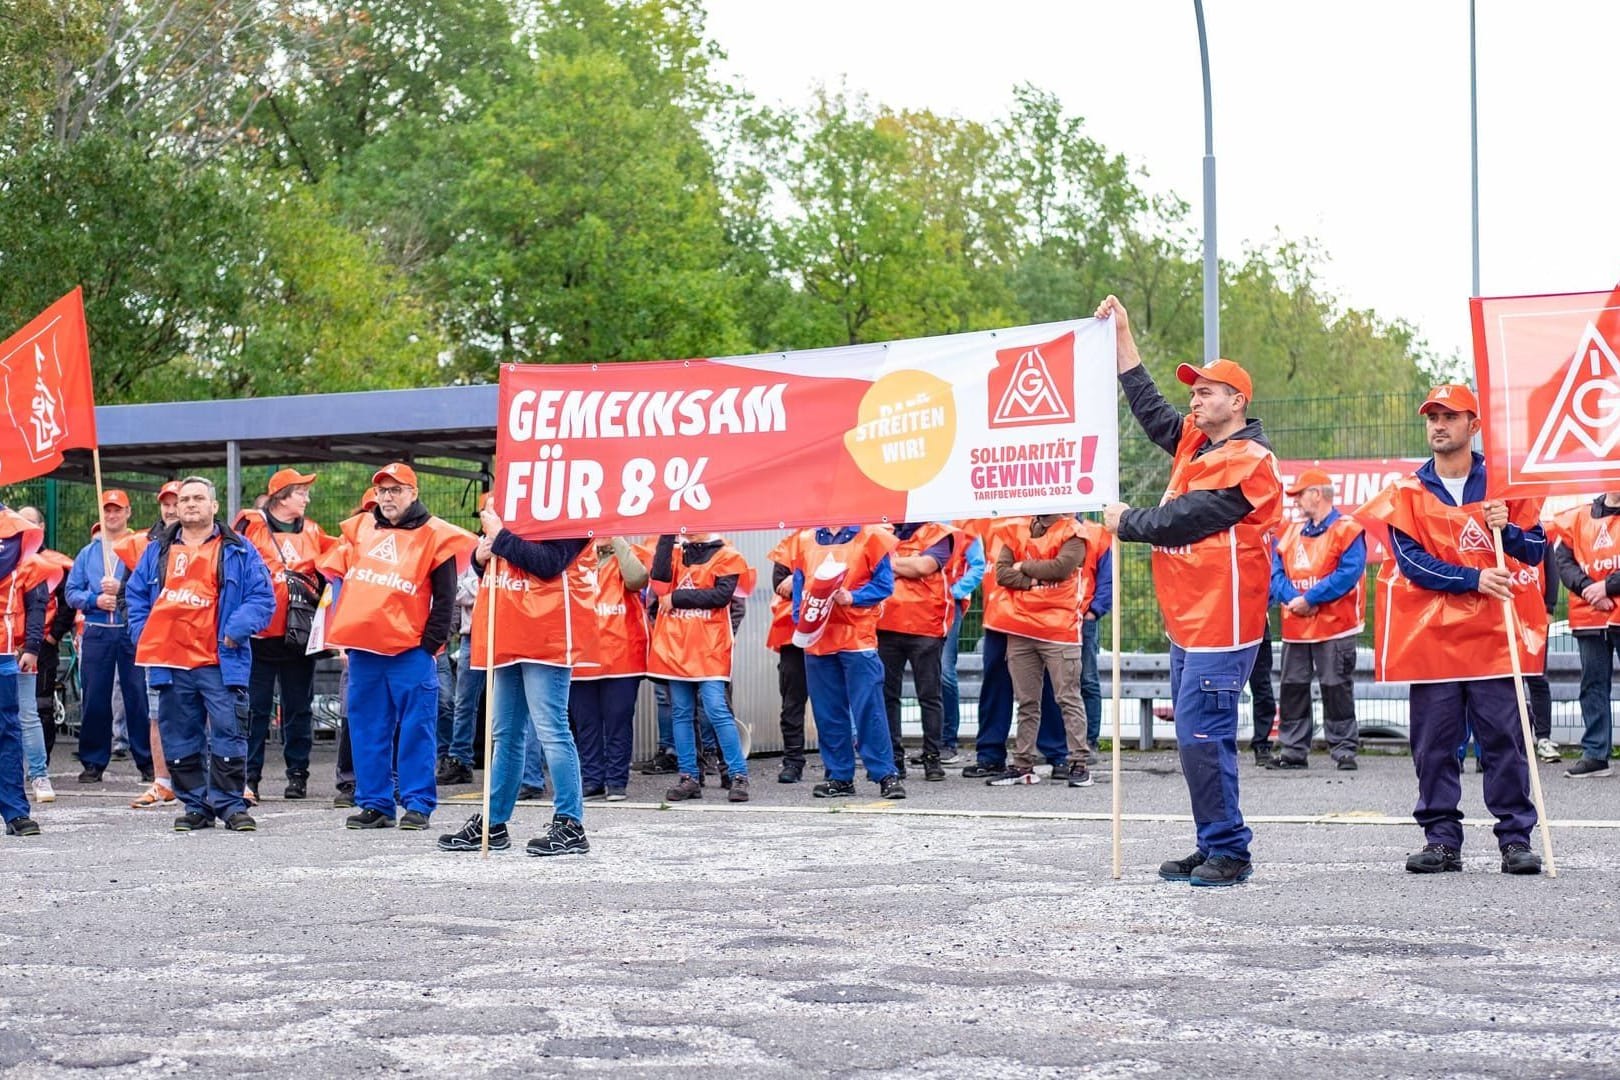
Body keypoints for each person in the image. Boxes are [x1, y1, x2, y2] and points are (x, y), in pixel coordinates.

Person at [1097, 294, 1282, 887]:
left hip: (1222, 621)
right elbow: (1148, 405)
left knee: (1204, 736)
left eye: (1206, 392)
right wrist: (1122, 336)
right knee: (1195, 738)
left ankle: (1231, 850)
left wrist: (1125, 522)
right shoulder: (1194, 443)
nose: (1194, 399)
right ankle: (1213, 843)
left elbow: (1190, 518)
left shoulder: (1249, 459)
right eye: (1194, 392)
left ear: (1237, 401)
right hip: (1189, 618)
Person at [1357, 383, 1546, 876]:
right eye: (1432, 417)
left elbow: (1535, 550)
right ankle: (1441, 839)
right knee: (1434, 745)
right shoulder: (1408, 491)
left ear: (1473, 425)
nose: (1438, 425)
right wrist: (1476, 577)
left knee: (1504, 740)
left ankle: (1515, 839)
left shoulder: (1504, 483)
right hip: (1434, 642)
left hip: (1494, 638)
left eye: (1450, 416)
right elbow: (1412, 564)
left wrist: (1512, 529)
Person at [316, 464, 473, 832]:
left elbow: (446, 597)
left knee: (418, 728)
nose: (387, 496)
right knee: (367, 729)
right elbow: (336, 581)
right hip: (364, 651)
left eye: (395, 490)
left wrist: (430, 645)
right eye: (382, 490)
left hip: (410, 653)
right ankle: (376, 804)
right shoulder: (359, 530)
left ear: (413, 493)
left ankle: (418, 804)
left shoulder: (436, 535)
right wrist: (345, 637)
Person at [438, 502, 591, 855]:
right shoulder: (508, 510)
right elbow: (489, 563)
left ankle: (571, 823)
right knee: (504, 733)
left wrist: (499, 536)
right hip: (507, 632)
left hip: (545, 636)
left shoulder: (572, 512)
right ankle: (493, 822)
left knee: (552, 730)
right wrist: (480, 554)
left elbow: (550, 564)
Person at [126, 477, 275, 832]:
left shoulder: (238, 549)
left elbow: (262, 598)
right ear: (175, 508)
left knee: (230, 733)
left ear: (214, 506)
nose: (190, 504)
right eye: (184, 499)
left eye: (198, 498)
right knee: (179, 736)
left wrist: (234, 630)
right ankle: (195, 805)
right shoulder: (157, 550)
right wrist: (143, 635)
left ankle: (230, 805)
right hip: (170, 662)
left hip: (220, 660)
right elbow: (133, 598)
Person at [237, 468, 334, 801]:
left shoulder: (314, 530)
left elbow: (332, 568)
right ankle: (249, 778)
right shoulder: (251, 526)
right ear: (281, 495)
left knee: (298, 709)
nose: (307, 498)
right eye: (301, 492)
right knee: (255, 709)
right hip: (259, 635)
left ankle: (298, 776)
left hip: (298, 635)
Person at [789, 524, 904, 799]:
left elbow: (884, 585)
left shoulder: (873, 537)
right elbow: (798, 583)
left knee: (869, 709)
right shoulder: (803, 540)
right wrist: (800, 618)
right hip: (819, 639)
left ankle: (886, 774)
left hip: (857, 637)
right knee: (828, 713)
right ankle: (839, 776)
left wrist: (853, 597)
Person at [1268, 468, 1367, 771]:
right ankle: (1293, 750)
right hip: (1296, 626)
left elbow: (1348, 573)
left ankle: (1344, 749)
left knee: (1336, 686)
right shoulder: (1290, 532)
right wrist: (1293, 600)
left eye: (1300, 493)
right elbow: (1275, 572)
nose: (1296, 500)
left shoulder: (1348, 529)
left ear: (1317, 494)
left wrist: (1309, 599)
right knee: (1293, 687)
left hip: (1335, 626)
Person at [985, 515, 1094, 788]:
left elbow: (1061, 568)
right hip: (1021, 629)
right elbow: (1002, 573)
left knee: (1067, 697)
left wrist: (1022, 566)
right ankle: (1023, 765)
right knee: (1027, 702)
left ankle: (1079, 764)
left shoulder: (1073, 532)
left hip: (1060, 629)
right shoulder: (1016, 529)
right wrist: (1033, 580)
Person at [651, 533, 754, 803]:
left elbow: (721, 596)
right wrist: (667, 535)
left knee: (716, 710)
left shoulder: (727, 555)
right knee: (681, 714)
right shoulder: (674, 553)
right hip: (677, 648)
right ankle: (689, 777)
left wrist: (678, 598)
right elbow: (659, 584)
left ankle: (738, 775)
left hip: (710, 649)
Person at [64, 490, 154, 784]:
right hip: (98, 631)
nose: (112, 515)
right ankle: (93, 761)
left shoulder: (141, 547)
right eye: (107, 510)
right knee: (95, 698)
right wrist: (94, 600)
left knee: (138, 697)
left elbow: (151, 586)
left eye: (118, 510)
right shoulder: (88, 553)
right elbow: (71, 593)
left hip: (131, 631)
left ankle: (147, 760)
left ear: (128, 512)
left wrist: (122, 590)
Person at [569, 536, 649, 801]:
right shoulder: (576, 557)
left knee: (618, 720)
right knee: (586, 723)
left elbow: (637, 580)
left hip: (622, 655)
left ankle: (616, 782)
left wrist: (617, 541)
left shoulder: (630, 554)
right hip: (582, 654)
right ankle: (592, 781)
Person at [876, 522, 958, 782]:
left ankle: (932, 757)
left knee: (929, 695)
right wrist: (908, 564)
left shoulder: (939, 533)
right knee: (888, 696)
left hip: (926, 626)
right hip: (886, 625)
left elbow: (925, 566)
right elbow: (870, 567)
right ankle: (894, 759)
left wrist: (891, 563)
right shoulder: (881, 533)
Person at [1549, 491, 1620, 779]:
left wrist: (1608, 587)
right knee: (1592, 684)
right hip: (1590, 615)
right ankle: (1595, 753)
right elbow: (1563, 560)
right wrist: (1590, 589)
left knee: (1593, 684)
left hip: (1605, 604)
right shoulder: (1578, 516)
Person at [0, 504, 54, 838]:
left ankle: (16, 811)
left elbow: (38, 600)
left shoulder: (18, 533)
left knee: (8, 732)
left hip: (4, 654)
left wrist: (32, 645)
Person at [15, 507, 72, 806]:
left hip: (28, 647)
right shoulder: (9, 558)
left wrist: (39, 643)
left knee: (33, 711)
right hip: (9, 645)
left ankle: (39, 773)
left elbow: (47, 606)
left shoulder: (44, 564)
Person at [938, 530, 986, 763]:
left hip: (948, 605)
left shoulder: (964, 528)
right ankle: (933, 742)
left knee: (944, 671)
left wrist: (953, 593)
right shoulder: (915, 522)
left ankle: (947, 741)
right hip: (910, 605)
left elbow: (978, 567)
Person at [766, 533, 810, 783]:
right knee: (792, 702)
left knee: (835, 703)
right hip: (792, 635)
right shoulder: (788, 544)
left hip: (835, 631)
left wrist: (800, 577)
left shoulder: (847, 540)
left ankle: (838, 765)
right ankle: (793, 761)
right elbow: (780, 586)